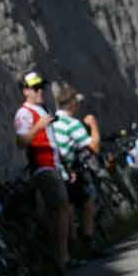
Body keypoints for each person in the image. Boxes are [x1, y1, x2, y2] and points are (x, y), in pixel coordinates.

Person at [14, 71, 73, 272]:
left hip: (54, 164)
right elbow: (21, 141)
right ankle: (62, 258)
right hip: (42, 166)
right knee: (62, 207)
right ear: (25, 91)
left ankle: (59, 256)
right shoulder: (24, 113)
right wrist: (38, 126)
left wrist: (65, 165)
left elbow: (52, 140)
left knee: (59, 212)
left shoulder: (43, 108)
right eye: (35, 88)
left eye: (42, 87)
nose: (40, 91)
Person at [52, 82, 106, 258]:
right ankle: (88, 244)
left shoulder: (53, 120)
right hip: (67, 171)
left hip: (53, 169)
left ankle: (71, 250)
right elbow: (94, 147)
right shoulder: (72, 123)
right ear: (73, 104)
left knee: (68, 208)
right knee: (87, 202)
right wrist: (93, 124)